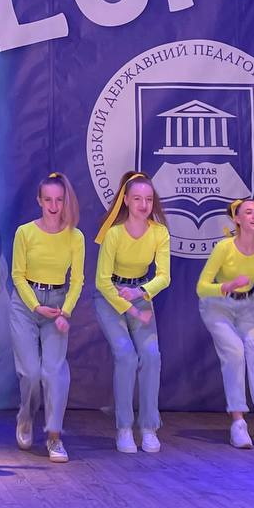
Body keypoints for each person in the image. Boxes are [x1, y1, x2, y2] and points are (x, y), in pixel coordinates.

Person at [197, 198, 254, 449]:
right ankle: (238, 423)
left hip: (247, 306)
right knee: (235, 353)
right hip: (216, 305)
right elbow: (201, 287)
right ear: (237, 219)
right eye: (249, 212)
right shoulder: (224, 247)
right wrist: (226, 286)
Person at [9, 172, 85, 463]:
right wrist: (35, 306)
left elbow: (77, 280)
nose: (54, 206)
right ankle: (26, 416)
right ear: (39, 201)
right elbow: (17, 275)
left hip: (57, 304)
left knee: (53, 372)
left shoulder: (75, 236)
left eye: (59, 200)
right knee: (30, 372)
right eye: (48, 200)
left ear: (65, 202)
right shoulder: (25, 233)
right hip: (26, 304)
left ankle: (54, 437)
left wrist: (66, 311)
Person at [94, 171, 171, 454]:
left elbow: (164, 277)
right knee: (126, 355)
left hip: (139, 294)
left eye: (148, 199)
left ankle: (149, 427)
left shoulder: (159, 232)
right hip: (110, 297)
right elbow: (102, 281)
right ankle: (124, 428)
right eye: (137, 199)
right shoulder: (114, 233)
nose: (143, 204)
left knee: (151, 355)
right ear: (126, 200)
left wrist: (139, 294)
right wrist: (130, 307)